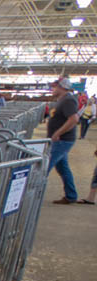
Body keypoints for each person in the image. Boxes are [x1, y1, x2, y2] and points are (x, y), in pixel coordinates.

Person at [47, 76, 80, 205]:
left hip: (62, 141)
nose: (52, 89)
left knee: (45, 166)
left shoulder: (68, 100)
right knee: (63, 169)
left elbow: (74, 119)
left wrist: (58, 133)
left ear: (61, 87)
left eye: (54, 86)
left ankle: (30, 196)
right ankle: (71, 196)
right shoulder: (63, 100)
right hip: (61, 140)